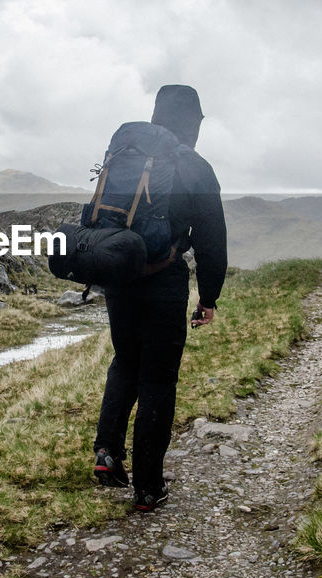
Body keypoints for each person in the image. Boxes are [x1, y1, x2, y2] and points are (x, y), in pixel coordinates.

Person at [92, 84, 228, 512]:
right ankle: (149, 487)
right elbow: (211, 240)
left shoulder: (126, 155)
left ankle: (107, 455)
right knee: (157, 378)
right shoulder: (194, 166)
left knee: (125, 362)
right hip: (164, 280)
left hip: (120, 277)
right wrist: (208, 297)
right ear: (194, 123)